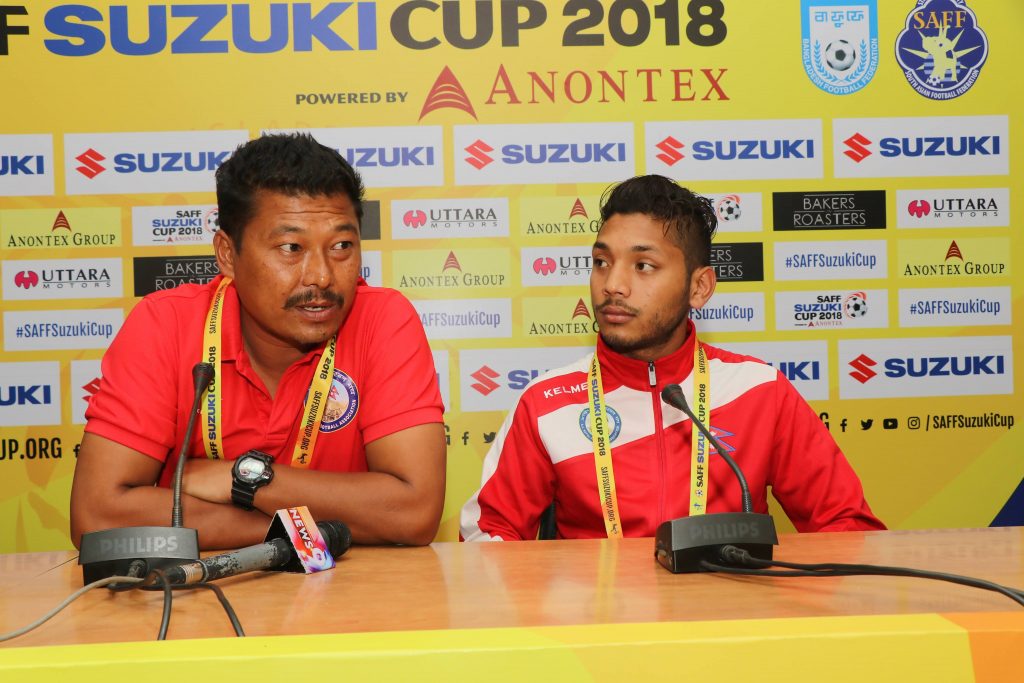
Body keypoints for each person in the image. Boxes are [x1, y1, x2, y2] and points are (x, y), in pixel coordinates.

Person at [71, 133, 446, 550]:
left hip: (352, 590)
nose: (322, 276)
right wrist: (298, 531)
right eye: (291, 247)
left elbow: (414, 513)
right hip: (206, 590)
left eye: (342, 246)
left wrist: (245, 479)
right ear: (227, 254)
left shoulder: (382, 319)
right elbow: (98, 517)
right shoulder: (166, 324)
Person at [461, 175, 885, 541]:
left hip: (728, 609)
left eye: (643, 265)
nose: (613, 284)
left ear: (699, 288)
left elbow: (848, 529)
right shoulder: (545, 403)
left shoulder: (760, 392)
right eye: (601, 262)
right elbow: (487, 536)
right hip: (596, 611)